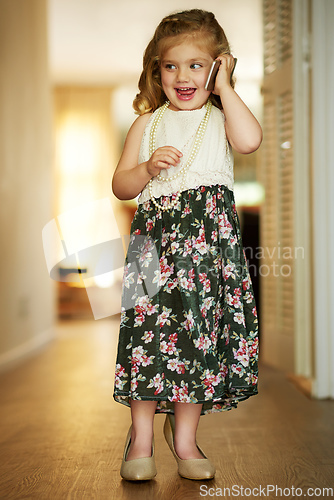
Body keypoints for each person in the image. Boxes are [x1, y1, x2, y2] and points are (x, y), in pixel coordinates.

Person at [111, 9, 262, 481]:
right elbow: (120, 186)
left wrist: (228, 88)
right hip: (153, 251)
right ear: (156, 70)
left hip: (207, 254)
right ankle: (139, 438)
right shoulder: (146, 124)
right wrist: (146, 168)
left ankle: (184, 439)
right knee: (146, 339)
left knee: (195, 341)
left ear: (217, 68)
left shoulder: (221, 119)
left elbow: (251, 140)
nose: (182, 76)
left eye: (197, 65)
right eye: (171, 65)